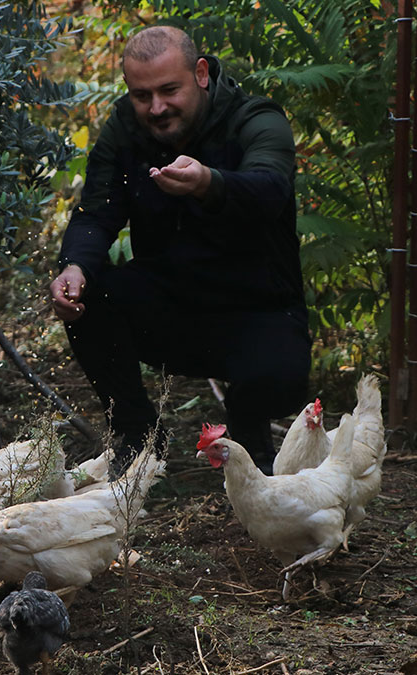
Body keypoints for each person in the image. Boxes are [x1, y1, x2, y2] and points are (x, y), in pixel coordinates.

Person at [49, 25, 310, 474]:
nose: (157, 108)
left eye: (169, 90)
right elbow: (97, 211)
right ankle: (140, 438)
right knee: (89, 295)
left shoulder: (257, 120)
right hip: (174, 308)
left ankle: (250, 438)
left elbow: (270, 188)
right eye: (141, 95)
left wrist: (210, 183)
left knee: (279, 380)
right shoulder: (125, 129)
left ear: (201, 74)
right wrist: (74, 266)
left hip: (258, 309)